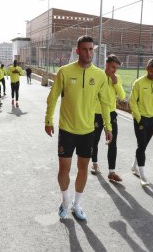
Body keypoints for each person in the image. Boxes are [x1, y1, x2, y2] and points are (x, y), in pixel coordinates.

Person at [45, 35, 112, 220]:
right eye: (84, 49)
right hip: (67, 129)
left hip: (87, 131)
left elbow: (105, 102)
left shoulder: (99, 75)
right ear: (77, 51)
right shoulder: (64, 71)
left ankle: (77, 205)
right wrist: (48, 120)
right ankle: (65, 201)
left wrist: (108, 126)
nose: (88, 53)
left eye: (91, 49)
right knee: (63, 170)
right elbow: (53, 96)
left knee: (83, 168)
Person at [129, 58, 153, 186]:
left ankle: (134, 166)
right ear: (147, 69)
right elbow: (132, 102)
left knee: (143, 146)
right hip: (141, 119)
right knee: (142, 145)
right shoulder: (138, 83)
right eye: (152, 72)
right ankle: (143, 176)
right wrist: (139, 119)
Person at [91, 54, 126, 182]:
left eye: (116, 68)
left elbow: (122, 96)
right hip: (96, 114)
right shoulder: (98, 76)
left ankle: (112, 172)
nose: (114, 70)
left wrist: (116, 82)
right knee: (94, 141)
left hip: (111, 114)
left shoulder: (117, 78)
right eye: (112, 67)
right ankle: (94, 164)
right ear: (106, 65)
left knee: (113, 143)